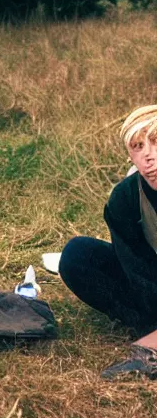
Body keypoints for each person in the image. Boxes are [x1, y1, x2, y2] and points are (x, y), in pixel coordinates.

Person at [60, 104, 157, 333]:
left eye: (156, 142)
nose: (148, 155)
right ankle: (149, 327)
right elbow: (136, 268)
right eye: (137, 146)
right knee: (78, 254)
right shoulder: (125, 198)